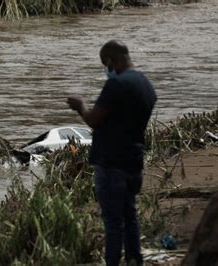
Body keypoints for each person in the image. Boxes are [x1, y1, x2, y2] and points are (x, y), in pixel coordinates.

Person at [67, 40, 157, 266]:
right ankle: (135, 260)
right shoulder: (145, 84)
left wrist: (81, 106)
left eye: (104, 63)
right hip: (133, 162)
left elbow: (94, 120)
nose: (105, 68)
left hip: (111, 164)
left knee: (113, 223)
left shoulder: (116, 84)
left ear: (110, 60)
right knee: (130, 217)